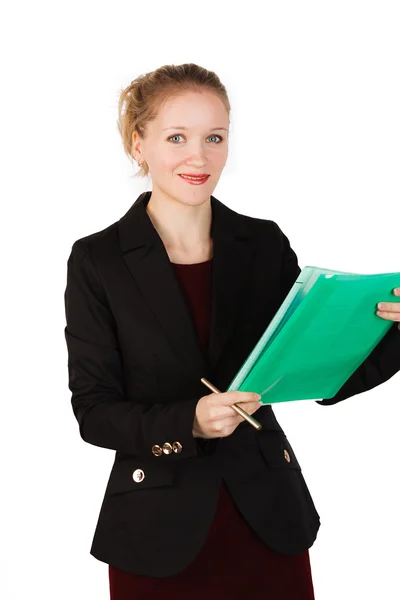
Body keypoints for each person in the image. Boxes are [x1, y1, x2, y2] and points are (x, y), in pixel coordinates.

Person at [63, 63, 400, 600]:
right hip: (156, 532)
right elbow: (95, 412)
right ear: (138, 143)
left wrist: (392, 332)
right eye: (177, 137)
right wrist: (188, 423)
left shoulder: (262, 244)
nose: (199, 157)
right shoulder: (98, 260)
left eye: (214, 138)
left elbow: (318, 375)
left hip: (266, 517)